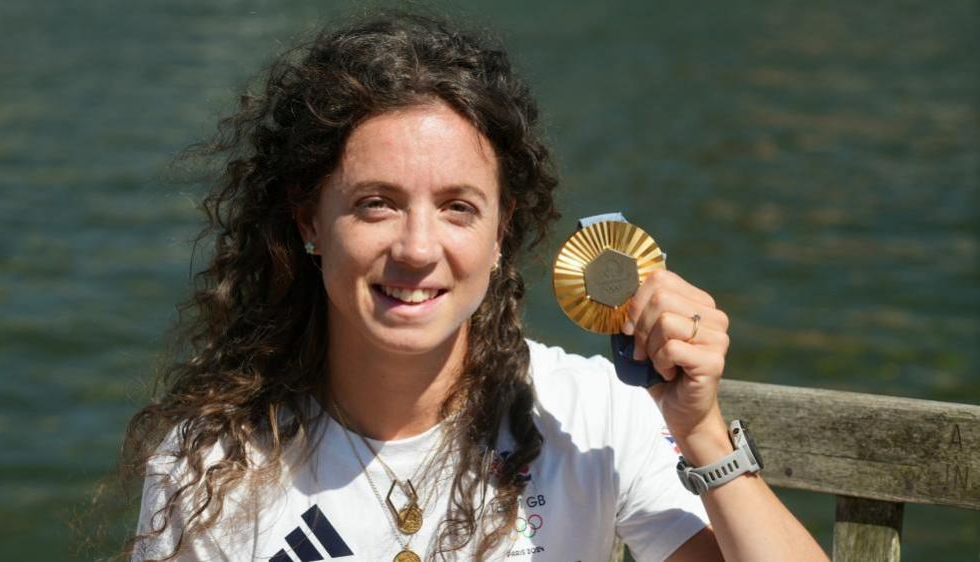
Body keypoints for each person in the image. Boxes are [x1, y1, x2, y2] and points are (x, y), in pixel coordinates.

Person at [125, 11, 828, 562]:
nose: (418, 248)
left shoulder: (588, 417)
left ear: (500, 233)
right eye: (376, 202)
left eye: (458, 207)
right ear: (310, 218)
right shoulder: (214, 461)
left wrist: (700, 432)